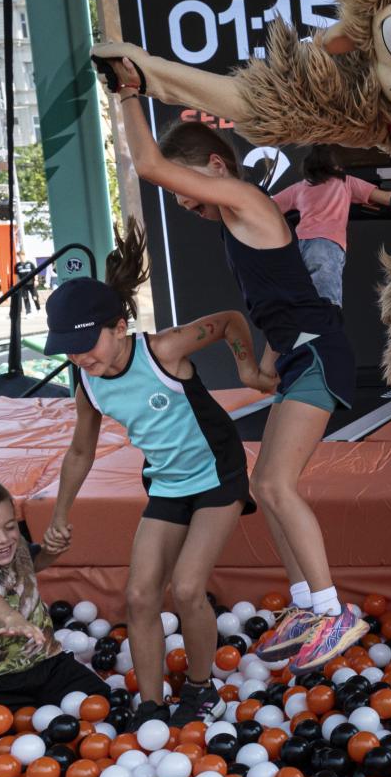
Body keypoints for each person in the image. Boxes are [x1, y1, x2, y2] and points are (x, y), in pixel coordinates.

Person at [104, 57, 368, 674]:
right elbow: (279, 306)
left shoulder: (246, 199)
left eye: (186, 190)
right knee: (264, 486)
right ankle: (306, 602)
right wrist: (259, 368)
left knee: (276, 484)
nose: (184, 204)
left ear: (216, 170)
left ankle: (332, 611)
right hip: (300, 352)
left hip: (321, 352)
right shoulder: (236, 224)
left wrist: (127, 93)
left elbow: (148, 165)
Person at [43, 224, 273, 726]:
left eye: (88, 344)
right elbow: (81, 452)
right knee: (140, 594)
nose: (81, 356)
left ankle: (200, 689)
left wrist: (248, 371)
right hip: (168, 483)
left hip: (218, 475)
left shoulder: (163, 350)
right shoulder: (87, 382)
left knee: (189, 588)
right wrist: (59, 514)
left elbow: (232, 320)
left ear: (119, 325)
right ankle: (150, 706)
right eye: (69, 347)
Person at [0, 479, 109, 748]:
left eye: (9, 527)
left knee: (105, 703)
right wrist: (11, 618)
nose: (3, 539)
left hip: (49, 662)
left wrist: (52, 550)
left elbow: (34, 562)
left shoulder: (16, 545)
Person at [269, 144, 391, 308]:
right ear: (334, 165)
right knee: (328, 305)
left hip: (298, 247)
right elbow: (386, 197)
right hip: (325, 245)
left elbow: (268, 206)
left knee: (301, 305)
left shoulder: (301, 187)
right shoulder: (345, 182)